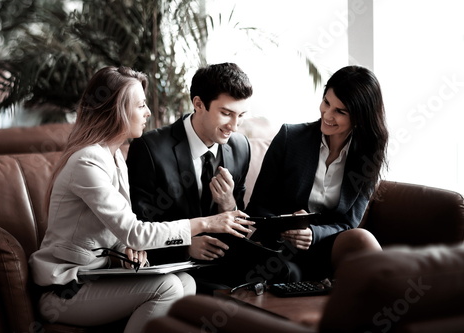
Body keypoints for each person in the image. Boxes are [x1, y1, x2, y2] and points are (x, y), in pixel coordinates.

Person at [28, 66, 252, 333]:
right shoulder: (86, 162)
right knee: (167, 287)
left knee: (187, 283)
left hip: (99, 276)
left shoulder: (114, 158)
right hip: (65, 289)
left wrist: (126, 250)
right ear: (117, 110)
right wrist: (206, 223)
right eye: (141, 105)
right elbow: (135, 231)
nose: (148, 113)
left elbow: (122, 231)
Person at [246, 65, 387, 283]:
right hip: (284, 247)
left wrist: (314, 233)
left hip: (329, 245)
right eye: (327, 103)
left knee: (362, 238)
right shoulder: (289, 138)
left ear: (359, 117)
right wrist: (287, 225)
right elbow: (257, 206)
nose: (327, 115)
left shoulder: (368, 155)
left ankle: (392, 299)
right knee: (285, 270)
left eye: (340, 111)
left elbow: (349, 222)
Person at [126, 62, 253, 291]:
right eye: (226, 113)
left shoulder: (240, 147)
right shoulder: (150, 149)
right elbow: (138, 227)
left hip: (226, 263)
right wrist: (184, 246)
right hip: (174, 268)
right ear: (198, 104)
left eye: (241, 115)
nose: (234, 126)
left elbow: (242, 224)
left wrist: (228, 203)